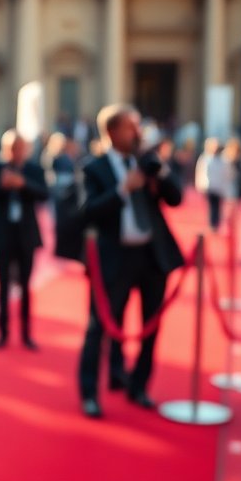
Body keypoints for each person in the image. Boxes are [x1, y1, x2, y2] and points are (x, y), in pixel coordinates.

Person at [76, 104, 184, 419]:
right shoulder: (92, 168)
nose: (137, 133)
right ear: (111, 132)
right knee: (100, 327)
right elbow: (87, 211)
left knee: (151, 326)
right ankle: (90, 394)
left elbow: (175, 198)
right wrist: (123, 189)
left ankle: (139, 386)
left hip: (151, 257)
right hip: (113, 257)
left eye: (138, 126)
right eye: (130, 127)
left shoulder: (148, 162)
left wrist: (160, 171)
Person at [0, 129, 49, 350]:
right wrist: (2, 186)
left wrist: (23, 184)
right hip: (2, 233)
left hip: (26, 234)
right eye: (11, 148)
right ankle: (3, 332)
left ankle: (26, 333)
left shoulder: (33, 169)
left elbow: (44, 194)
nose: (15, 152)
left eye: (19, 148)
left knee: (26, 285)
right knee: (2, 285)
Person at [195, 137, 233, 232]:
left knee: (217, 206)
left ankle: (216, 224)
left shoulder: (222, 160)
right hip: (209, 186)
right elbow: (201, 173)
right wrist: (201, 185)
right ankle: (213, 224)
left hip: (218, 187)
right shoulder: (205, 159)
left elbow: (226, 174)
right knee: (212, 206)